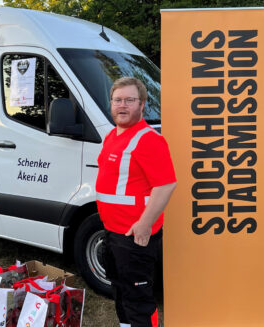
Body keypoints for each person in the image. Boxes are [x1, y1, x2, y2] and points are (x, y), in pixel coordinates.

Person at [96, 77, 177, 327]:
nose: (122, 106)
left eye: (129, 100)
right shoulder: (113, 135)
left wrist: (144, 224)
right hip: (114, 233)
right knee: (121, 292)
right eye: (117, 100)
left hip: (135, 236)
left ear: (142, 104)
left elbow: (166, 184)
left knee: (138, 301)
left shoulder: (148, 139)